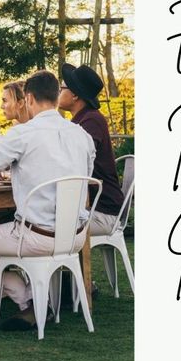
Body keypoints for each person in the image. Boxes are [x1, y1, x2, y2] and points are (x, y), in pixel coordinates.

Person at [0, 70, 96, 330]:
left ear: (28, 98)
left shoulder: (23, 134)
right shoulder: (82, 135)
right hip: (76, 235)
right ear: (57, 98)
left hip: (38, 236)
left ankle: (27, 302)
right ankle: (38, 299)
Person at [58, 63, 124, 236]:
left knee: (42, 224)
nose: (58, 91)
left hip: (103, 213)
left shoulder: (91, 121)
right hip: (90, 207)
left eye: (62, 87)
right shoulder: (81, 120)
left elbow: (75, 161)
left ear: (74, 95)